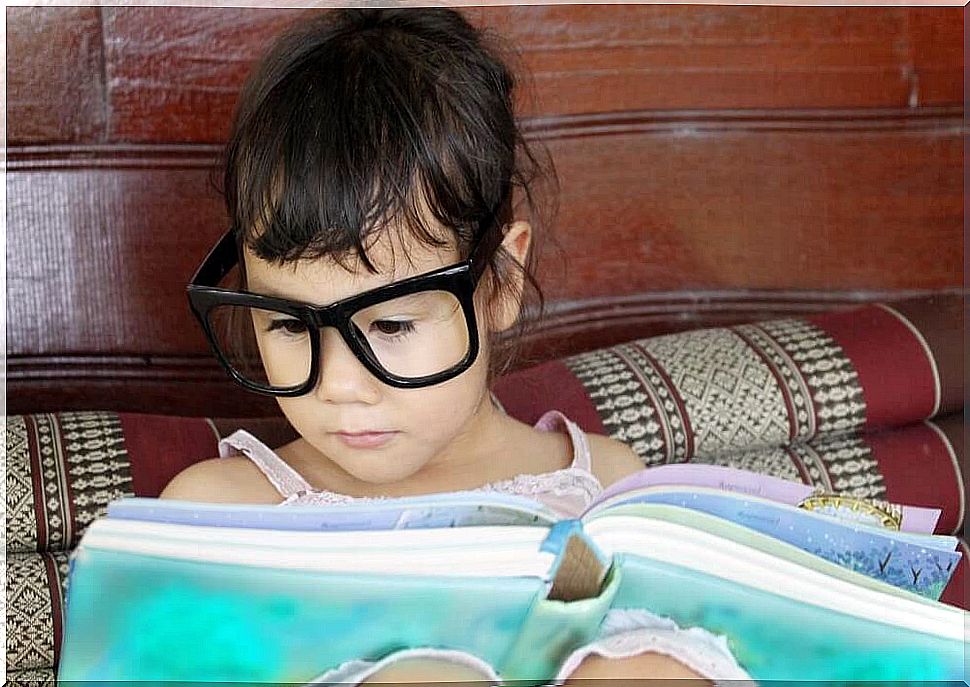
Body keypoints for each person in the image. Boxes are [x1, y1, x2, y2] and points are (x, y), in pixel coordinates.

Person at [161, 8, 751, 685]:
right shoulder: (221, 515)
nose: (341, 385)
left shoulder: (609, 493)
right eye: (291, 325)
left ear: (499, 282)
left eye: (392, 326)